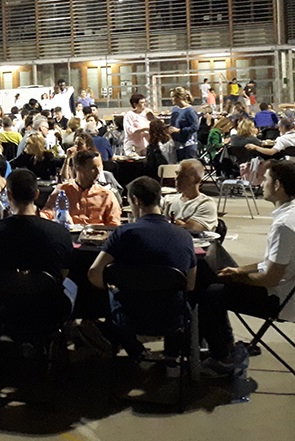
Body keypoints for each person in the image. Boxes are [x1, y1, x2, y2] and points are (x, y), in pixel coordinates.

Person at [196, 160, 295, 375]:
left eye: (266, 179)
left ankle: (221, 358)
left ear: (277, 185)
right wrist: (240, 271)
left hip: (277, 299)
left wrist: (234, 278)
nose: (262, 184)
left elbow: (270, 279)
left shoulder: (285, 225)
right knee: (218, 280)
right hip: (287, 291)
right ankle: (225, 347)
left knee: (209, 294)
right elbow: (273, 262)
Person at [87, 176, 196, 359]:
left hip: (130, 316)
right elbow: (190, 284)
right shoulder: (184, 236)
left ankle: (136, 352)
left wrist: (113, 286)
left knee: (106, 299)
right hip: (171, 317)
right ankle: (172, 356)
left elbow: (94, 274)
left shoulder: (123, 233)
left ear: (136, 200)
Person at [0, 168, 74, 314]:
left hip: (7, 310)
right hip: (50, 311)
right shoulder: (59, 232)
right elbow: (64, 272)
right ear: (37, 194)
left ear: (9, 195)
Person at [41, 150, 121, 226]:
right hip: (68, 234)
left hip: (97, 234)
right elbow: (47, 214)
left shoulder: (106, 195)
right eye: (93, 168)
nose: (98, 172)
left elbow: (114, 225)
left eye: (99, 167)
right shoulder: (62, 191)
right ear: (78, 168)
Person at [162, 159, 218, 233]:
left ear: (197, 179)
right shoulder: (168, 199)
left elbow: (192, 228)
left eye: (183, 176)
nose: (177, 178)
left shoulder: (206, 204)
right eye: (177, 174)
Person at [169, 87, 200, 161]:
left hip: (188, 144)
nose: (171, 99)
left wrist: (179, 130)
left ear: (179, 97)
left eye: (173, 97)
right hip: (177, 143)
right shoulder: (175, 109)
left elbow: (195, 127)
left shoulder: (189, 111)